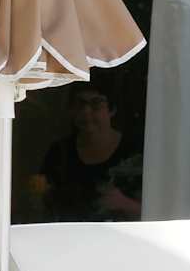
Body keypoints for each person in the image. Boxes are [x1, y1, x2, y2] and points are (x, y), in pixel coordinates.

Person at [36, 85, 142, 222]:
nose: (86, 111)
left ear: (111, 110)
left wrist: (124, 203)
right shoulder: (59, 152)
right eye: (80, 104)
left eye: (96, 104)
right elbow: (43, 202)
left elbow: (158, 213)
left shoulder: (135, 151)